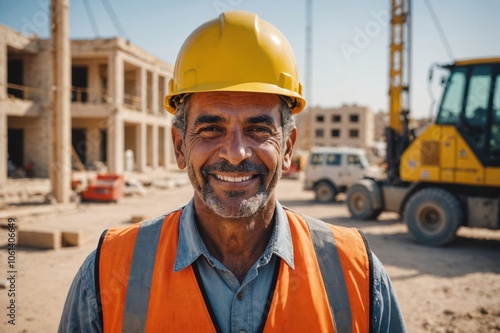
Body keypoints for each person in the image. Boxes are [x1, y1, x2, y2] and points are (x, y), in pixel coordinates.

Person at [59, 11, 406, 333]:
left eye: (258, 129)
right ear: (180, 146)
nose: (236, 153)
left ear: (287, 147)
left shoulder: (356, 273)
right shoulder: (107, 271)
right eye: (211, 129)